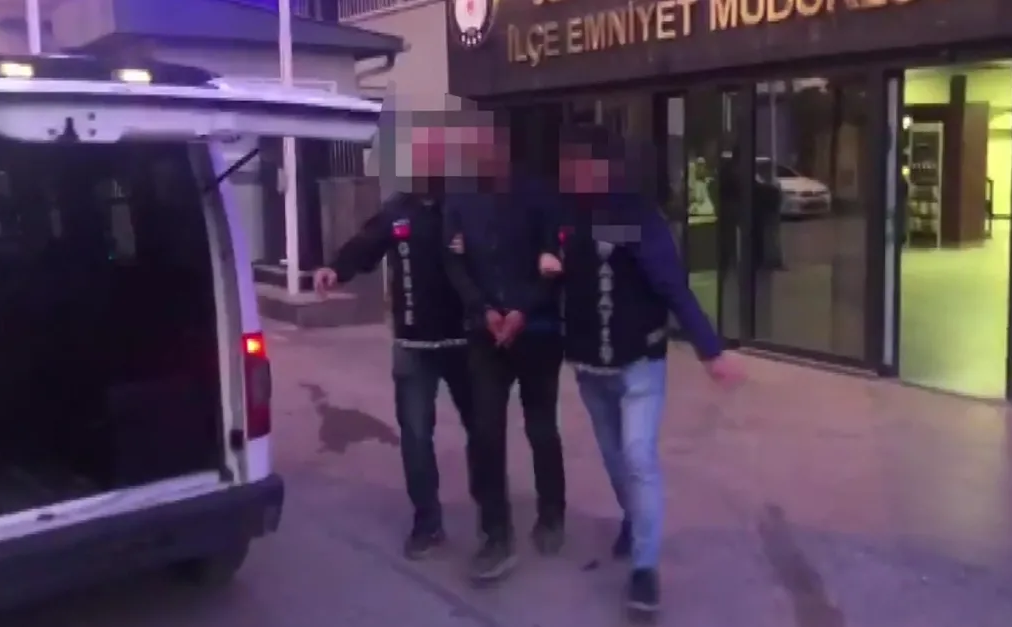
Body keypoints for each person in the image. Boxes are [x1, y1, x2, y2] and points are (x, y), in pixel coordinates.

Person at [546, 124, 741, 613]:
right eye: (566, 165)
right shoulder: (564, 215)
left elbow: (671, 285)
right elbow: (559, 264)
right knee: (615, 462)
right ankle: (634, 519)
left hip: (639, 367)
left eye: (577, 164)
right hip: (589, 368)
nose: (569, 173)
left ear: (603, 167)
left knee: (638, 458)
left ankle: (644, 569)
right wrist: (548, 262)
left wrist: (710, 350)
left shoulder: (633, 217)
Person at [312, 124, 475, 561]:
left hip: (464, 342)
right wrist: (335, 269)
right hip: (413, 344)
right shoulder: (396, 212)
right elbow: (365, 245)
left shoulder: (465, 207)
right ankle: (428, 523)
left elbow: (496, 256)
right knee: (416, 436)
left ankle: (493, 517)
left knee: (482, 429)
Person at [441, 119, 566, 582]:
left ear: (504, 149)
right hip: (485, 333)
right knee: (486, 432)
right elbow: (453, 262)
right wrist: (484, 310)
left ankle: (551, 514)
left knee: (540, 428)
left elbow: (554, 263)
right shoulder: (459, 199)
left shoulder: (539, 195)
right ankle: (496, 533)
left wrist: (522, 311)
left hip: (536, 332)